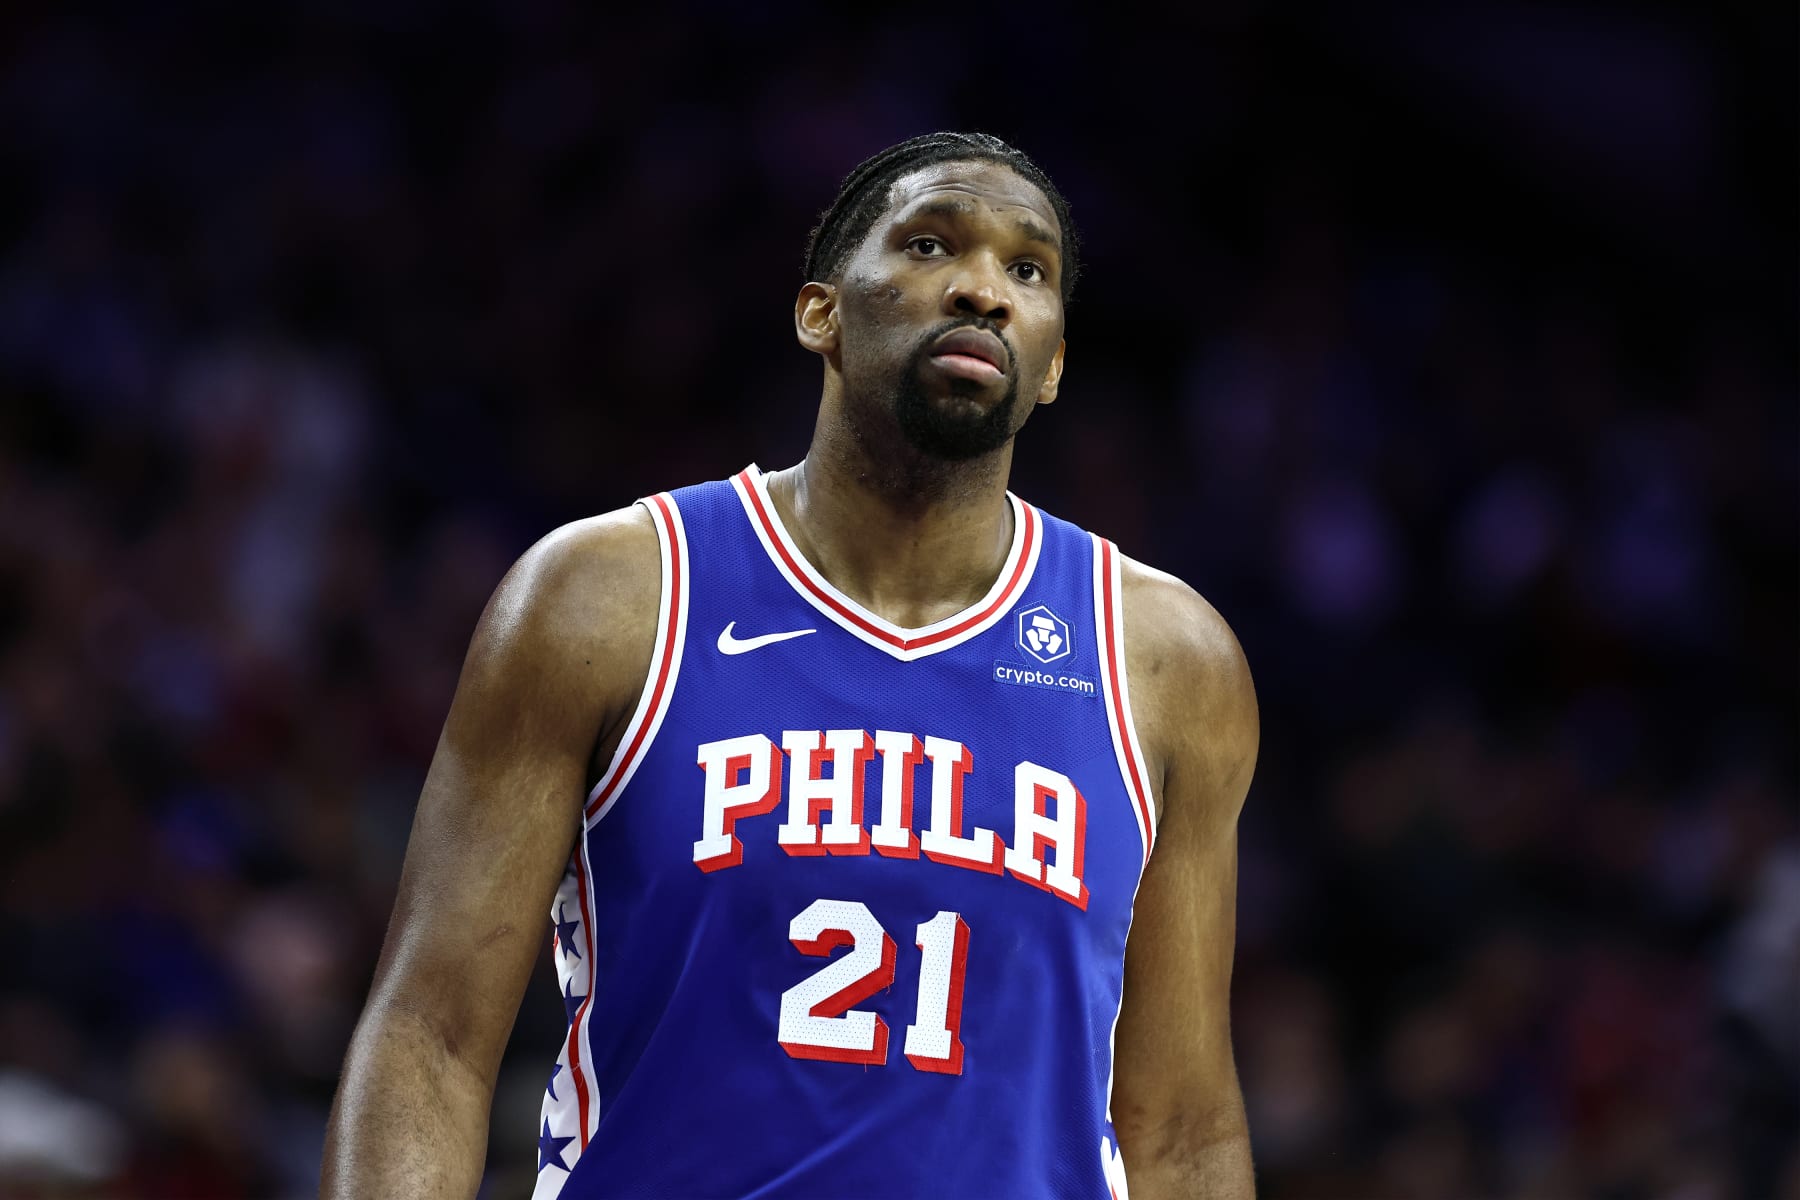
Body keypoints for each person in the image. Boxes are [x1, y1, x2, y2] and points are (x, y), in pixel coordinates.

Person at [320, 131, 1259, 1200]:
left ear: (1050, 366)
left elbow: (1181, 1127)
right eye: (929, 245)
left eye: (1026, 270)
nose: (983, 290)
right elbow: (429, 1036)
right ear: (821, 312)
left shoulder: (1166, 659)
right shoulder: (611, 596)